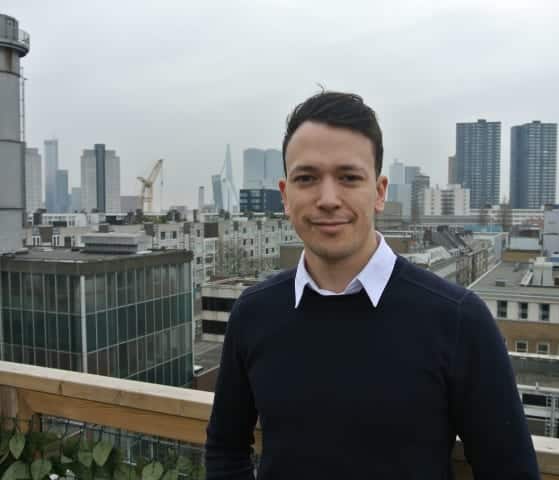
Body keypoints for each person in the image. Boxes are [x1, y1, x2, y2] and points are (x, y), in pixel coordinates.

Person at [205, 91, 540, 479]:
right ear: (285, 195)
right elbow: (226, 448)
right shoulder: (253, 313)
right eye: (306, 178)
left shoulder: (458, 320)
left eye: (348, 177)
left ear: (379, 192)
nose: (328, 199)